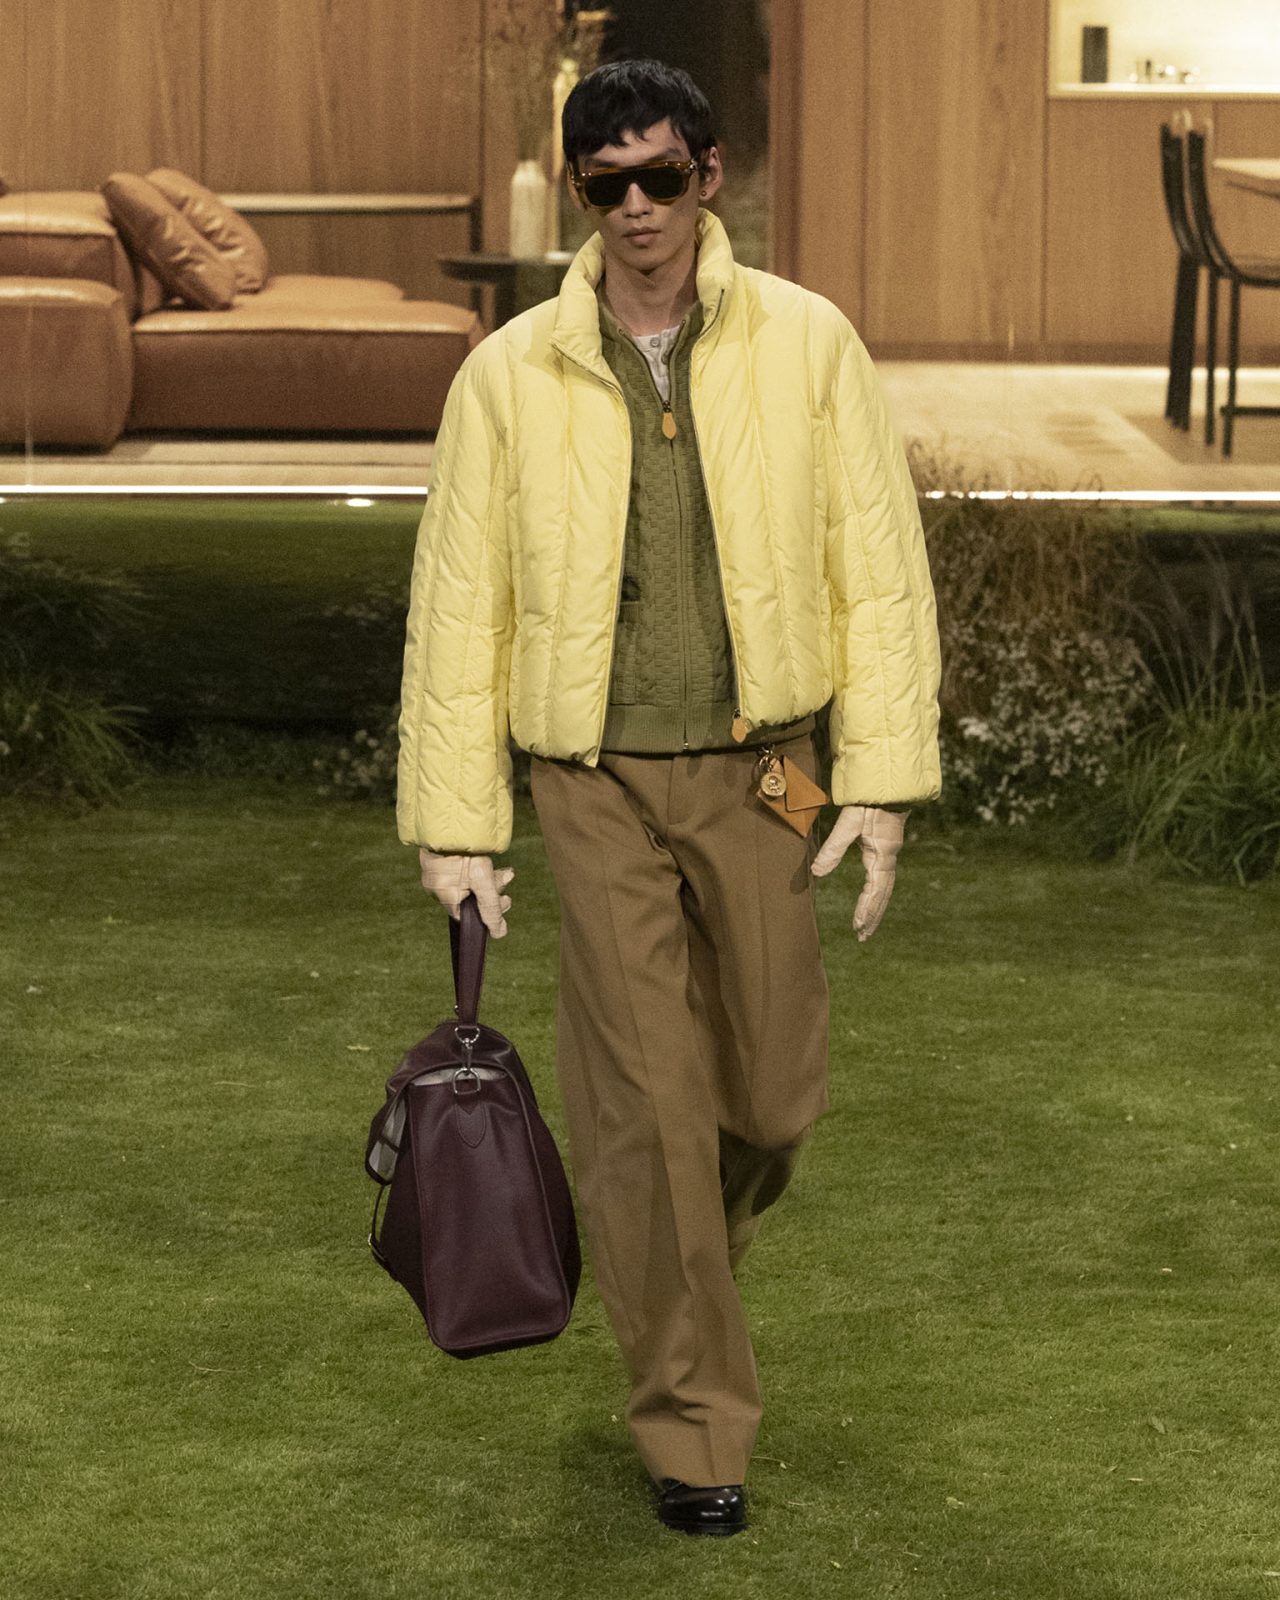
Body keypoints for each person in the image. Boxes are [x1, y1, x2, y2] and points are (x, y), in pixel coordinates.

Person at [397, 57, 941, 1537]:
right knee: (646, 1100)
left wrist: (881, 783)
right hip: (590, 778)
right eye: (605, 185)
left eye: (660, 177)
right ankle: (695, 1428)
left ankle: (676, 1250)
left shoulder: (810, 343)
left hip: (772, 765)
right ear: (584, 196)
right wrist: (459, 824)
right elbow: (462, 605)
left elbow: (877, 569)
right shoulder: (509, 373)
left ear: (708, 176)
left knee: (768, 1096)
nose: (635, 208)